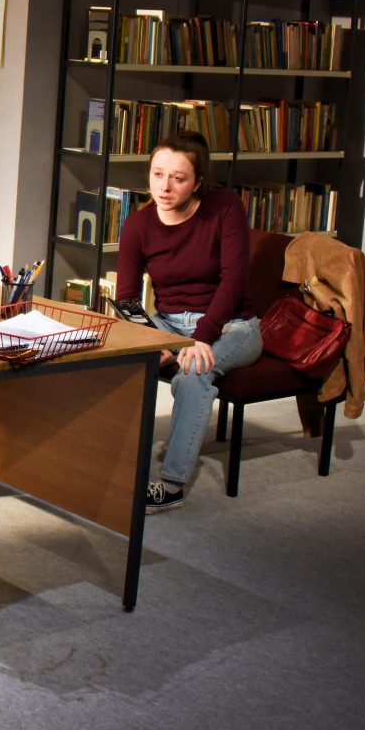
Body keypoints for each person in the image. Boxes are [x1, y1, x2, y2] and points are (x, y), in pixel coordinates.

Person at [109, 130, 261, 513]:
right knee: (117, 362)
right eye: (158, 174)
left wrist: (203, 337)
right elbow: (126, 297)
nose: (165, 186)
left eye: (178, 178)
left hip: (232, 325)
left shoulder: (225, 207)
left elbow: (234, 280)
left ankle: (172, 484)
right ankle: (112, 464)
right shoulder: (139, 224)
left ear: (198, 182)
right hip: (169, 323)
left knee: (192, 376)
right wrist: (149, 337)